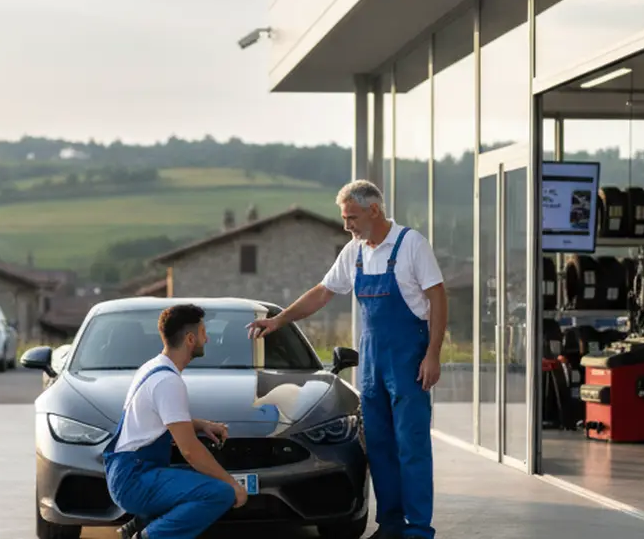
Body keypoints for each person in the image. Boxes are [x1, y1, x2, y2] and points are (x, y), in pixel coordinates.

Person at [247, 179, 445, 539]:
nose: (346, 225)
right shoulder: (354, 252)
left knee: (412, 447)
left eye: (351, 217)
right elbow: (323, 292)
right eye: (344, 218)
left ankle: (417, 529)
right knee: (380, 448)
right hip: (371, 365)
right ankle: (390, 524)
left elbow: (438, 297)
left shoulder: (411, 244)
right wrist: (279, 320)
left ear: (374, 210)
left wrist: (433, 354)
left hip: (408, 362)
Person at [104, 304, 248, 539]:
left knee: (195, 480)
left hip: (128, 471)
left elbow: (160, 419)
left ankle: (139, 524)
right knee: (218, 493)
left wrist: (200, 424)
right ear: (191, 339)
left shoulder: (154, 367)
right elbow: (190, 451)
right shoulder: (168, 382)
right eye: (203, 333)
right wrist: (233, 485)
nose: (207, 339)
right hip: (135, 478)